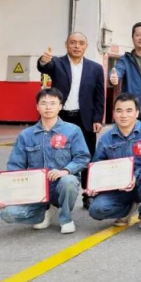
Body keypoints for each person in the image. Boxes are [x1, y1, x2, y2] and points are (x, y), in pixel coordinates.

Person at [0, 89, 90, 235]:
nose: (48, 107)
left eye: (53, 103)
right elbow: (15, 167)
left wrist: (65, 171)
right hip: (35, 190)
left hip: (60, 186)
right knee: (8, 214)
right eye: (44, 103)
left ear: (60, 106)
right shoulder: (26, 135)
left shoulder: (73, 131)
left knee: (69, 181)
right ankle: (44, 212)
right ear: (37, 107)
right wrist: (5, 196)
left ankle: (66, 218)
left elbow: (82, 157)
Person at [37, 32, 105, 209]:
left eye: (81, 43)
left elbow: (99, 96)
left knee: (88, 156)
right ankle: (53, 192)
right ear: (66, 44)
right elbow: (44, 67)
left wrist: (98, 118)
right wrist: (43, 61)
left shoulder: (95, 68)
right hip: (61, 118)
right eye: (73, 42)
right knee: (56, 153)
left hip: (85, 118)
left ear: (86, 46)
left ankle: (89, 193)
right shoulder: (57, 63)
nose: (77, 46)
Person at [87, 93, 141, 233]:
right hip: (117, 188)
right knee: (96, 210)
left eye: (129, 110)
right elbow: (98, 165)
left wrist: (134, 176)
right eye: (119, 111)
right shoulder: (106, 139)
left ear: (137, 113)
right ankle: (128, 208)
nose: (124, 115)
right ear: (114, 113)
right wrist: (95, 185)